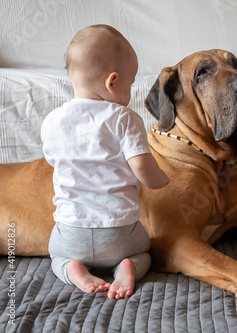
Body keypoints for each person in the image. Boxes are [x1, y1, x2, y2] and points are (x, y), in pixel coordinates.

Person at [41, 24, 169, 299]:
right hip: (119, 232)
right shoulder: (124, 118)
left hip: (71, 230)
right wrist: (161, 179)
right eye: (131, 83)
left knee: (56, 255)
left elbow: (53, 161)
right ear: (112, 82)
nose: (131, 91)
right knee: (144, 252)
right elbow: (143, 169)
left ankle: (72, 268)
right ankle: (128, 265)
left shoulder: (52, 121)